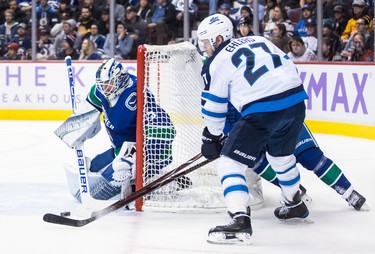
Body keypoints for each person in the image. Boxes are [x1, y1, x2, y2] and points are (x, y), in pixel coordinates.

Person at [196, 13, 309, 245]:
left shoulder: (216, 61)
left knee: (229, 162)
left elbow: (215, 107)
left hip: (262, 109)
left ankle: (239, 220)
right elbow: (289, 64)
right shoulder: (261, 40)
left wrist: (212, 136)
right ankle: (294, 203)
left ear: (218, 39)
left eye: (206, 42)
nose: (204, 48)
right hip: (296, 101)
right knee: (282, 156)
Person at [65, 58, 176, 202]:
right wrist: (76, 126)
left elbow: (167, 130)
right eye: (102, 85)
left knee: (100, 190)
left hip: (148, 155)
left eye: (108, 84)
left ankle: (153, 179)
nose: (105, 89)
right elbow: (88, 112)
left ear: (119, 79)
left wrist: (134, 159)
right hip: (120, 150)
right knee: (93, 167)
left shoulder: (138, 95)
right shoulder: (101, 91)